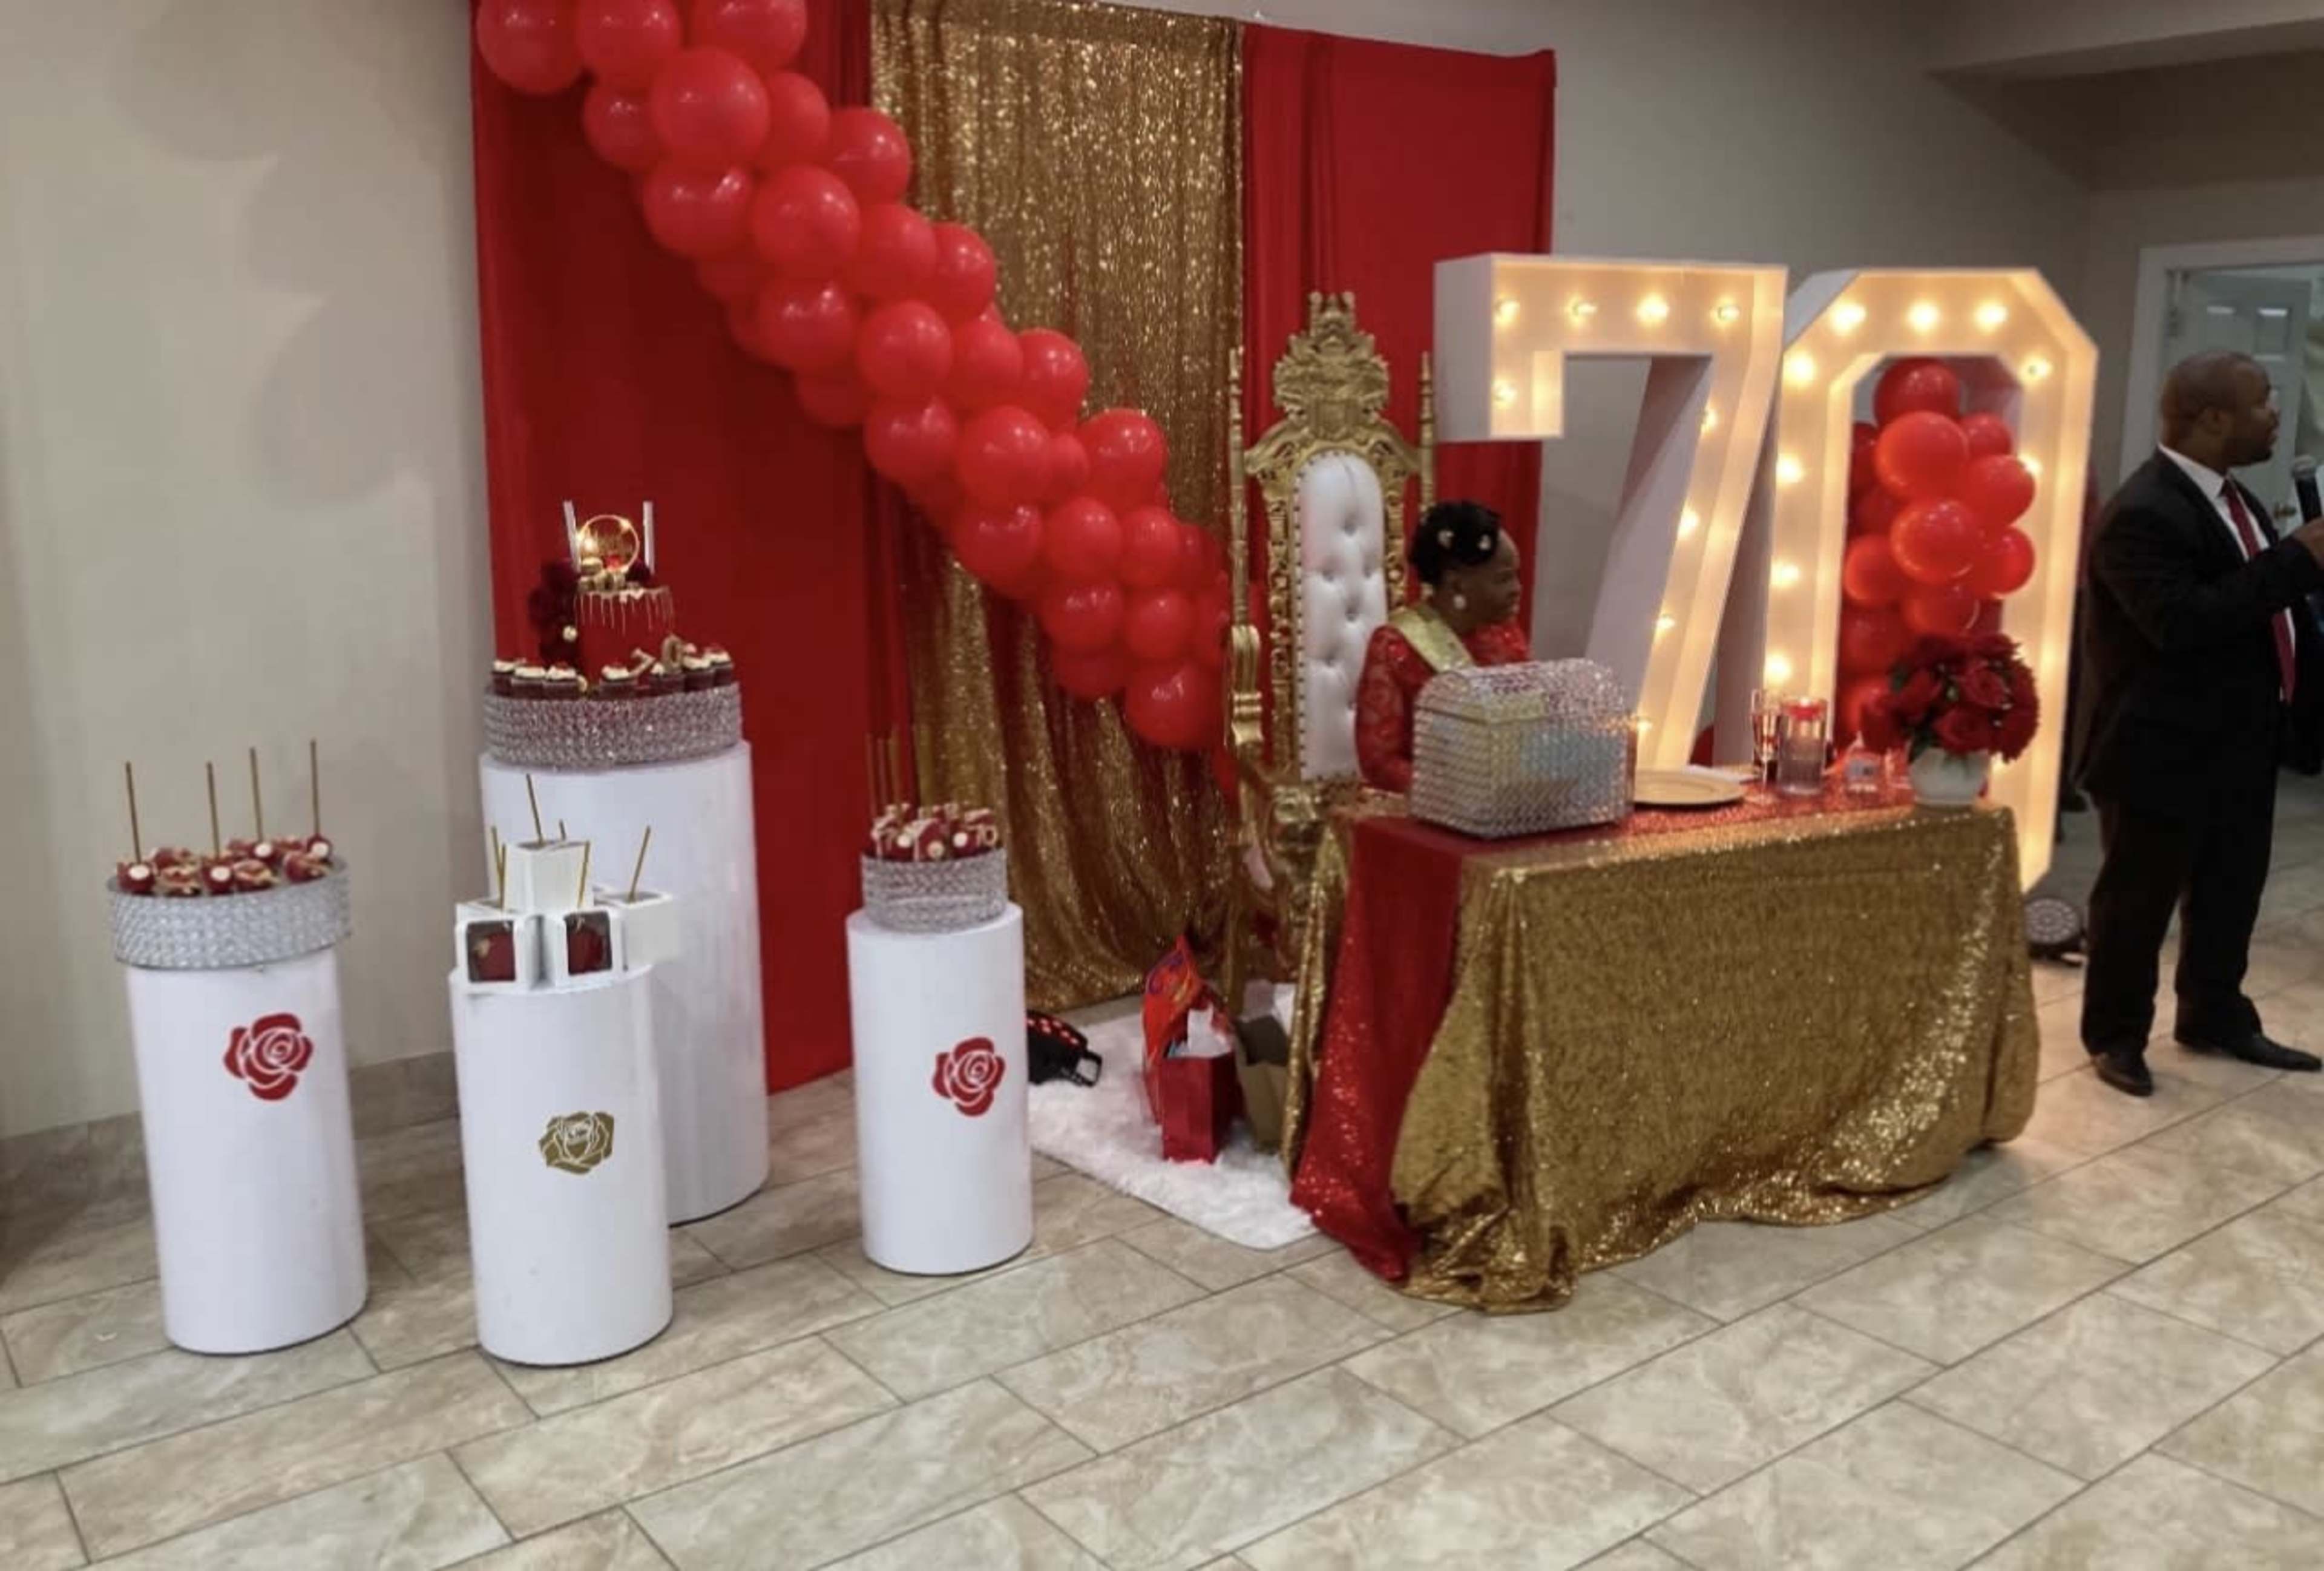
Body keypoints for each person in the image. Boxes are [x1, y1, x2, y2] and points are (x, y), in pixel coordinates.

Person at [2078, 350, 2324, 1097]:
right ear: (2213, 418)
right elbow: (2182, 623)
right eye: (2262, 401)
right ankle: (2116, 1036)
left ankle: (2215, 1014)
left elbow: (2259, 611)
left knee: (2231, 889)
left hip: (2240, 740)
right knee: (2137, 901)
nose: (2276, 413)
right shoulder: (2142, 512)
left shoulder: (2236, 498)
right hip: (2159, 745)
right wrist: (2296, 559)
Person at [1354, 499, 1528, 792]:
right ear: (1456, 584)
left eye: (1516, 576)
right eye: (1503, 579)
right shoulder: (1396, 647)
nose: (1517, 590)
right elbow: (1380, 762)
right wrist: (1453, 795)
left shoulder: (1504, 633)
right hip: (1432, 813)